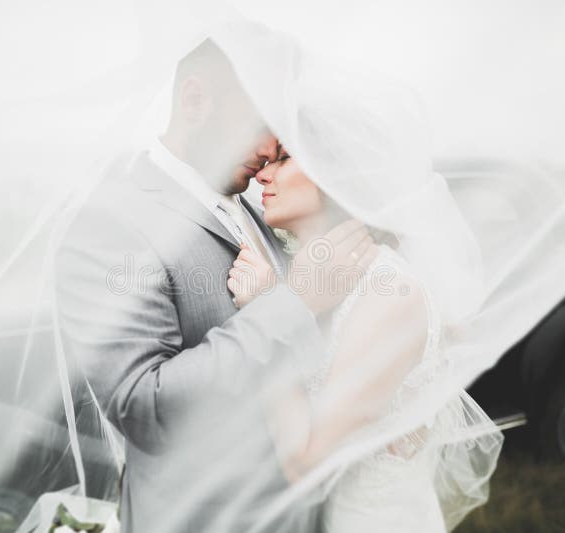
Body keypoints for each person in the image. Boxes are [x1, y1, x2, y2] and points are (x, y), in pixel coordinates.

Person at [55, 39, 377, 533]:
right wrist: (293, 303)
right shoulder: (111, 223)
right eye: (261, 121)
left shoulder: (258, 208)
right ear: (194, 101)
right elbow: (145, 408)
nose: (272, 148)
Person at [228, 142, 503, 532]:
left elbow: (304, 462)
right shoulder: (321, 280)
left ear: (338, 174)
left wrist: (266, 316)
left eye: (285, 158)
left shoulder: (391, 294)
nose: (262, 175)